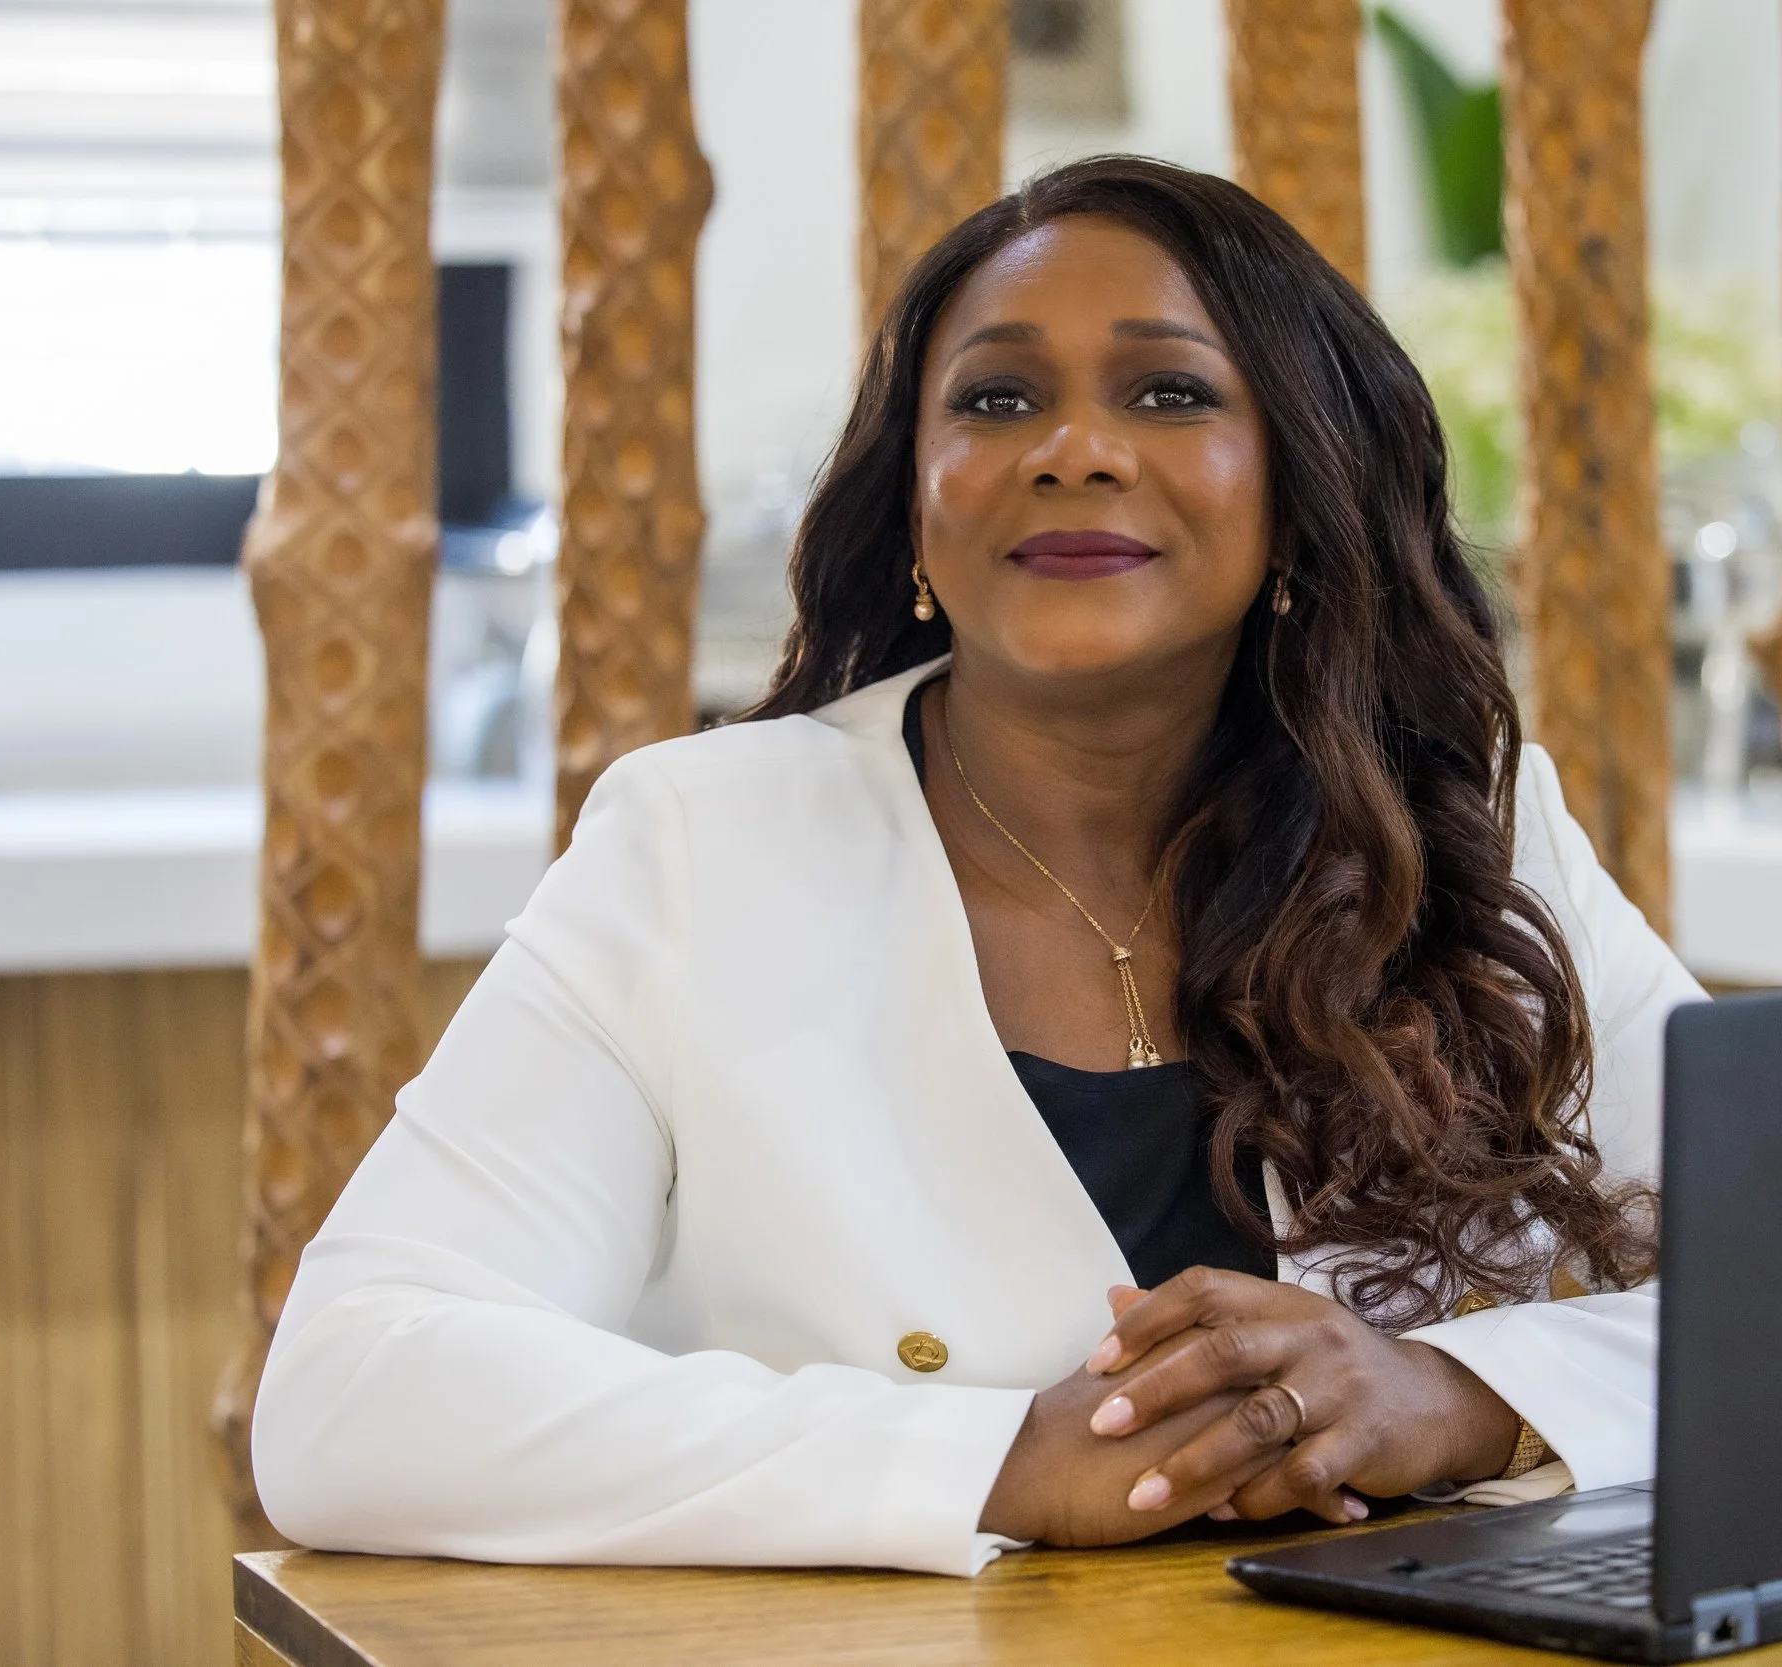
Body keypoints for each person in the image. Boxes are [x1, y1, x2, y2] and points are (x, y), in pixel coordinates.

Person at [251, 155, 1703, 1578]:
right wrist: (992, 1457)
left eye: (1169, 391)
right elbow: (351, 1391)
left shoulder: (1458, 830)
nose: (1074, 450)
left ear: (1298, 490)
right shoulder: (701, 844)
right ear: (917, 509)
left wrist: (1457, 1398)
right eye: (997, 398)